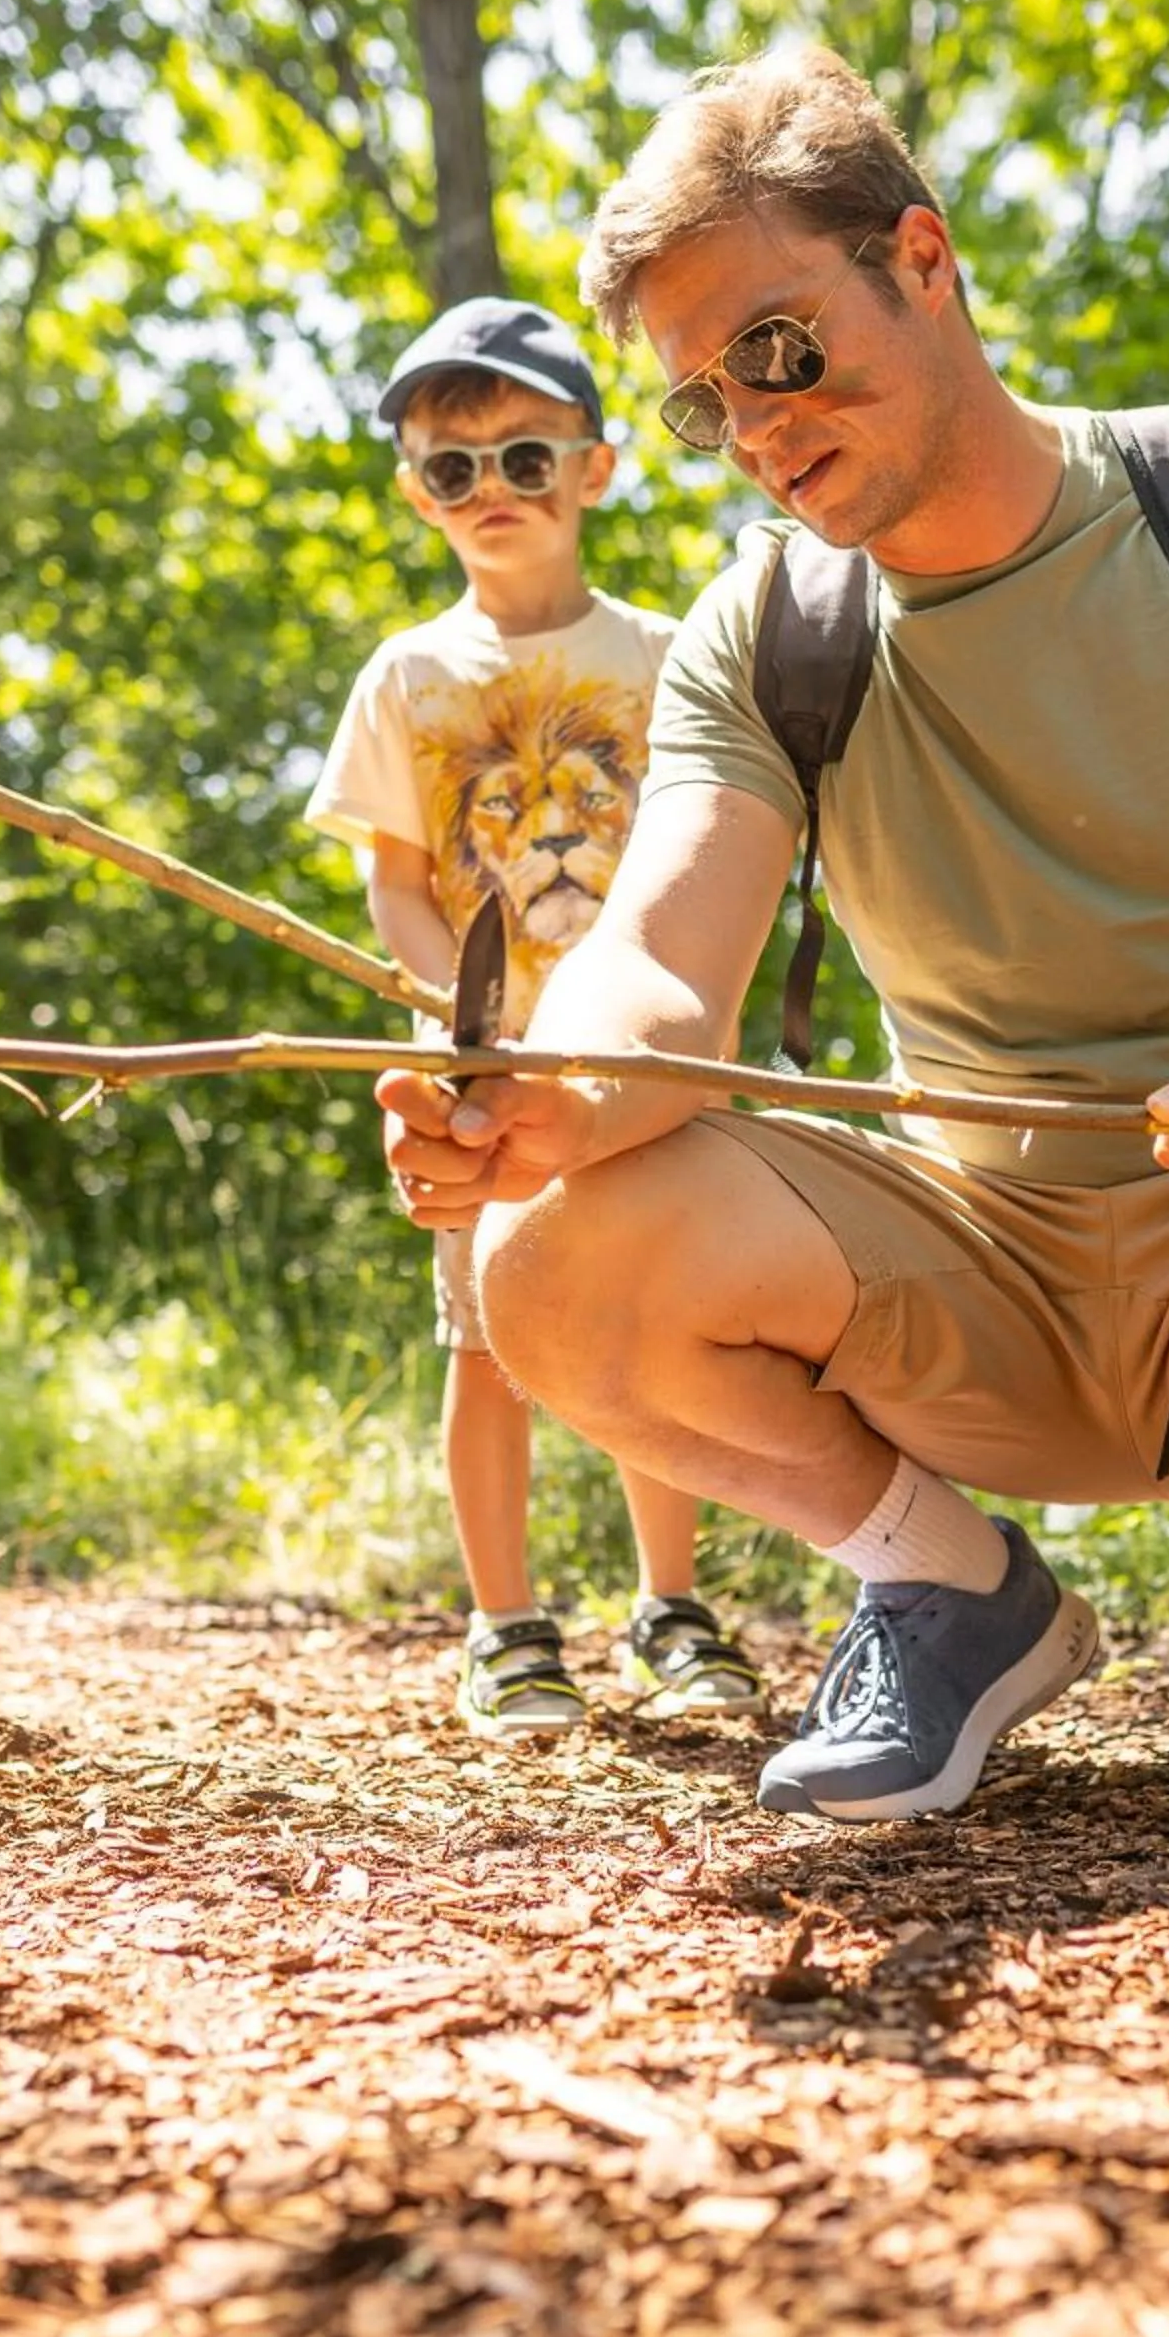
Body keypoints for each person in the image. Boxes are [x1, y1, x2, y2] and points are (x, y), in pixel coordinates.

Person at [374, 52, 1169, 1833]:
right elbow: (663, 964)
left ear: (922, 259)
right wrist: (551, 1102)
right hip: (962, 1284)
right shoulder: (764, 630)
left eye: (775, 349)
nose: (755, 429)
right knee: (550, 1254)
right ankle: (947, 1594)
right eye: (699, 403)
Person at [307, 295, 763, 1736]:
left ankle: (672, 1606)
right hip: (479, 1072)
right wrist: (464, 1015)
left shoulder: (671, 652)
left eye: (525, 457)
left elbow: (714, 851)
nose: (489, 491)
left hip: (643, 1063)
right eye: (452, 467)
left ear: (597, 469)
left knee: (653, 1323)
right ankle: (504, 1627)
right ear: (412, 490)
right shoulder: (408, 675)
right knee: (486, 1340)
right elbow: (393, 879)